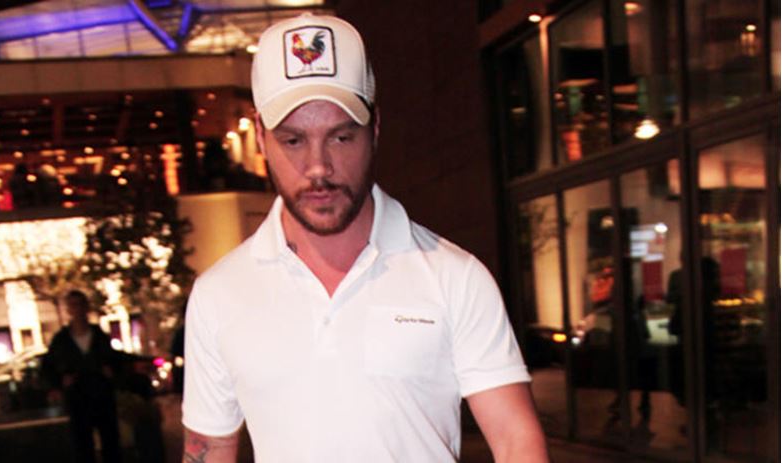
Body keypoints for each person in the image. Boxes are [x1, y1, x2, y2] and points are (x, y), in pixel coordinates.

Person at [182, 13, 549, 463]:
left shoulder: (455, 276)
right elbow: (210, 448)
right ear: (260, 136)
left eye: (341, 137)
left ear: (374, 129)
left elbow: (516, 441)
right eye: (293, 141)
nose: (319, 167)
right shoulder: (219, 294)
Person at [42, 290, 123, 463]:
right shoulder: (62, 339)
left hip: (101, 395)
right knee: (82, 444)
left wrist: (110, 372)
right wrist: (59, 383)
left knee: (110, 441)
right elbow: (48, 366)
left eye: (80, 304)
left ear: (86, 307)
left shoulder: (99, 335)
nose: (77, 309)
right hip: (78, 397)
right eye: (73, 305)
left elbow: (114, 359)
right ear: (69, 310)